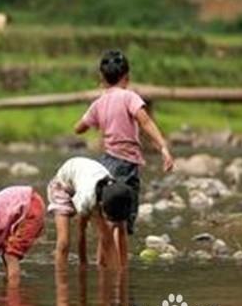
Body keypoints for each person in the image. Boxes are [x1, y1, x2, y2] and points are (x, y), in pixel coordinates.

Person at [74, 50, 174, 235]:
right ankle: (120, 262)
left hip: (106, 163)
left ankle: (107, 259)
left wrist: (88, 123)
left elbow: (79, 128)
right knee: (124, 220)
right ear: (127, 77)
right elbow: (146, 122)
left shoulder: (98, 103)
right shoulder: (129, 97)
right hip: (126, 165)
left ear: (102, 78)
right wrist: (163, 147)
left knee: (110, 215)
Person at [48, 157, 133, 270]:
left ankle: (112, 272)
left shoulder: (116, 191)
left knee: (106, 232)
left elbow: (107, 238)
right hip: (62, 187)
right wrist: (83, 262)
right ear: (101, 205)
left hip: (85, 180)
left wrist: (118, 276)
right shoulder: (87, 199)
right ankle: (61, 281)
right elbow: (81, 228)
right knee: (64, 242)